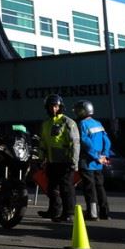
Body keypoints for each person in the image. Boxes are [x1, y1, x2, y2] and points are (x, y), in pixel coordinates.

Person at [37, 94, 80, 223]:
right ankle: (54, 211)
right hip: (51, 162)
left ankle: (69, 213)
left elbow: (75, 143)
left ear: (60, 106)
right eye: (50, 106)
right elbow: (43, 142)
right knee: (51, 188)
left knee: (66, 188)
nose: (53, 109)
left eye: (55, 106)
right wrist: (41, 159)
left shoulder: (68, 122)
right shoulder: (46, 124)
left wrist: (74, 161)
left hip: (66, 162)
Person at [75, 100, 111, 221]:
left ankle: (93, 214)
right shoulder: (98, 123)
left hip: (87, 161)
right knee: (100, 186)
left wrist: (96, 156)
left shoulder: (81, 125)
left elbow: (86, 143)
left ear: (82, 111)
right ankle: (105, 213)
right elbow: (107, 141)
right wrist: (104, 156)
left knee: (90, 188)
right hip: (99, 162)